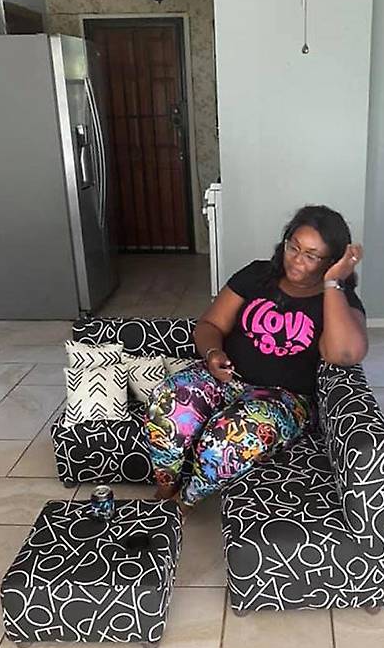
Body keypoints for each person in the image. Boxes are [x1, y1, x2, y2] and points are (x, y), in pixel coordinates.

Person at [137, 206, 368, 502]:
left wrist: (334, 282)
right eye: (293, 247)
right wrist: (213, 353)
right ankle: (165, 489)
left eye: (312, 256)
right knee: (167, 400)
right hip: (225, 378)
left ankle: (185, 500)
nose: (297, 259)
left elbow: (344, 354)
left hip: (285, 398)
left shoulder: (338, 301)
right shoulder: (257, 275)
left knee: (227, 438)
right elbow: (209, 325)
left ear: (331, 262)